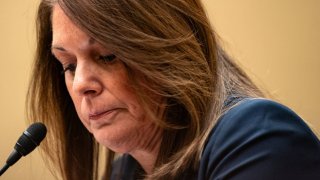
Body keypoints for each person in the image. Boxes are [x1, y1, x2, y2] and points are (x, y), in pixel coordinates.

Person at [26, 0, 320, 179]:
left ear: (168, 51)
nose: (80, 85)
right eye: (68, 65)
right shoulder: (126, 172)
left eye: (107, 56)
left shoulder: (260, 140)